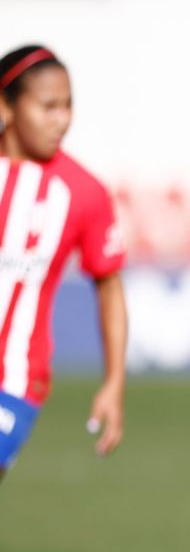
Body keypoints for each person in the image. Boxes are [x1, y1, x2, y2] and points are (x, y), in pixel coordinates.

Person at [0, 44, 127, 482]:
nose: (62, 119)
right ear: (6, 107)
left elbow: (109, 286)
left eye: (67, 105)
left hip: (13, 381)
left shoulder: (84, 191)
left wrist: (113, 383)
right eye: (48, 106)